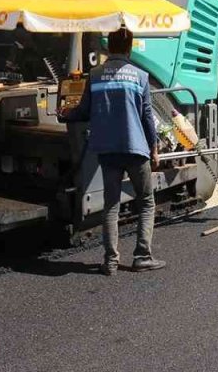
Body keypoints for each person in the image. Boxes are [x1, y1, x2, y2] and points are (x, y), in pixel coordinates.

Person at [60, 27, 165, 276]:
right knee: (147, 201)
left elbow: (83, 111)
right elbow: (147, 116)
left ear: (109, 47)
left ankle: (110, 261)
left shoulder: (95, 75)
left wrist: (65, 115)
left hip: (107, 150)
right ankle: (142, 257)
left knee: (111, 205)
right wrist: (154, 146)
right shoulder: (140, 76)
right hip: (136, 148)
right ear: (129, 48)